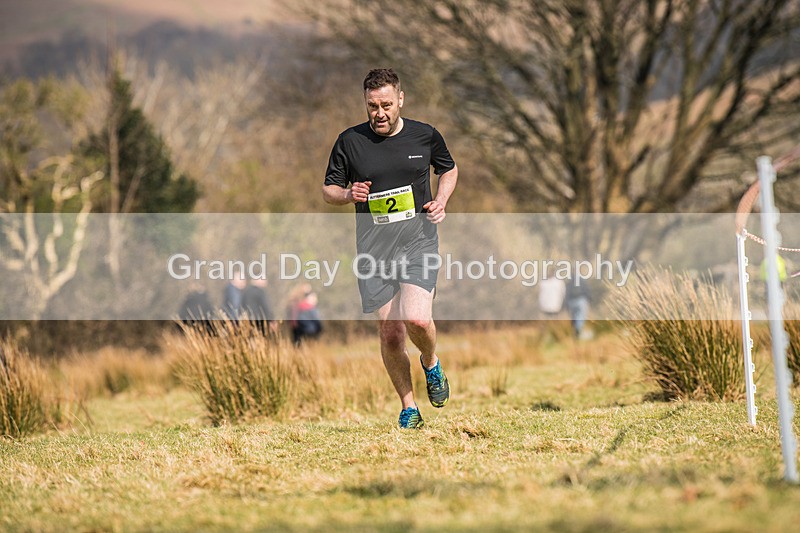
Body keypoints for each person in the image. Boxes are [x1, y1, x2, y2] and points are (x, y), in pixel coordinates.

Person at [322, 68, 458, 429]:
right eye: (371, 106)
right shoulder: (349, 142)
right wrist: (348, 194)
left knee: (415, 318)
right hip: (373, 252)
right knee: (391, 333)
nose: (378, 113)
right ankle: (409, 407)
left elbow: (449, 169)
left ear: (400, 99)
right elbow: (328, 190)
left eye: (385, 104)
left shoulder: (425, 136)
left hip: (418, 242)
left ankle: (431, 362)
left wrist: (441, 200)